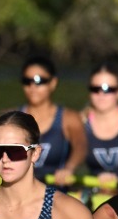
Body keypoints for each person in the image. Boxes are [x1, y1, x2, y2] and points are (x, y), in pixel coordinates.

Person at [7, 54, 85, 182]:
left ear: (53, 83)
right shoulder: (11, 118)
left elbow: (81, 147)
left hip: (57, 189)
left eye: (39, 81)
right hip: (21, 189)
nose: (33, 87)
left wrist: (69, 168)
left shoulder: (69, 118)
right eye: (27, 81)